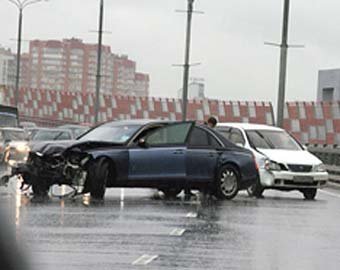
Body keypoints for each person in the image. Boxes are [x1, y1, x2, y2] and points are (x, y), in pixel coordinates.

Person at [184, 116, 218, 199]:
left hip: (197, 153)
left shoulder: (202, 129)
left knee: (196, 173)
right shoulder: (204, 130)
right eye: (213, 126)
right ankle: (197, 190)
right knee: (199, 173)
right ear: (211, 124)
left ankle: (194, 190)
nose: (213, 128)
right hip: (199, 154)